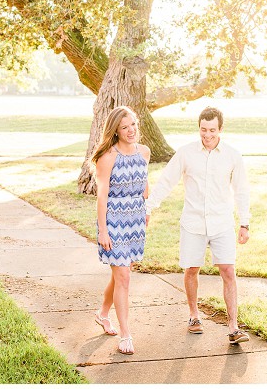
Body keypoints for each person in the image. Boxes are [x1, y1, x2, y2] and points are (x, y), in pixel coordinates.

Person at [145, 106, 251, 344]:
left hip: (222, 222)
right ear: (199, 128)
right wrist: (148, 207)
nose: (207, 135)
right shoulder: (186, 153)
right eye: (203, 130)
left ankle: (233, 326)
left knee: (228, 272)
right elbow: (166, 182)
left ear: (221, 129)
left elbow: (242, 190)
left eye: (212, 130)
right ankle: (194, 316)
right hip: (192, 222)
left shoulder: (233, 155)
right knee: (191, 270)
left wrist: (245, 222)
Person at [92, 106, 150, 356]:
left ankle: (102, 313)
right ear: (115, 130)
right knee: (124, 277)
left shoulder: (144, 152)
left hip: (136, 220)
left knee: (120, 275)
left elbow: (145, 186)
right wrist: (103, 231)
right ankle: (126, 334)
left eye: (133, 125)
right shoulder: (108, 156)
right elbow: (102, 195)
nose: (130, 131)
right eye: (124, 127)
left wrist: (146, 211)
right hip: (114, 219)